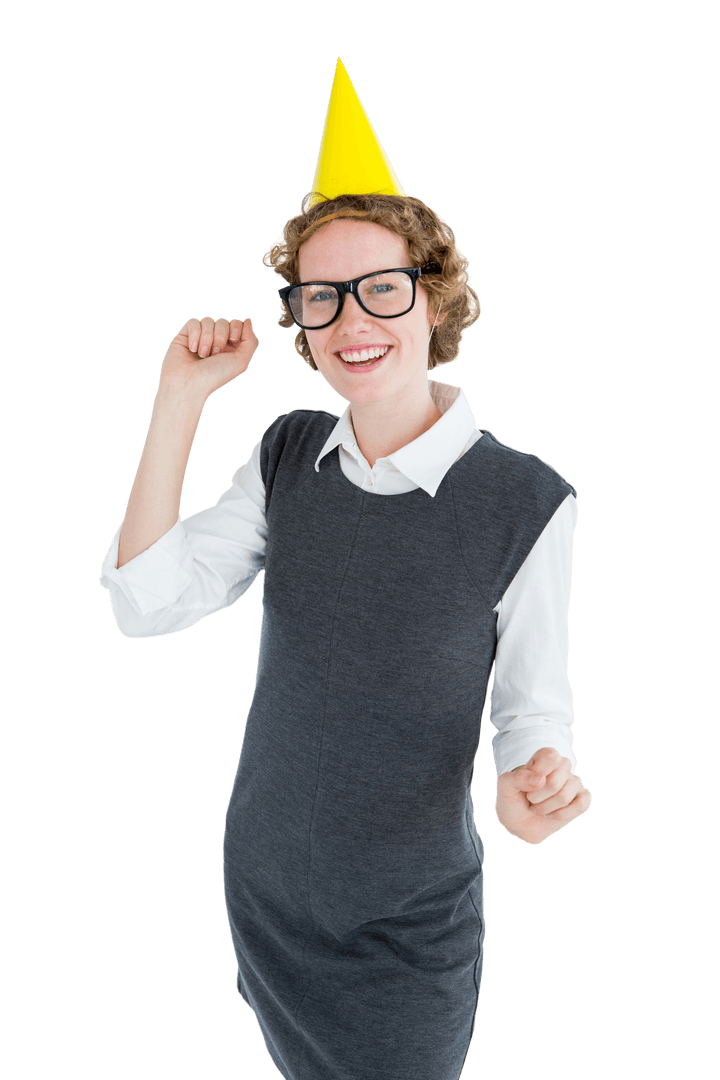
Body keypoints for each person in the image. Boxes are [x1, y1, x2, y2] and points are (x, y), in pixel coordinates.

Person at [99, 58, 591, 1080]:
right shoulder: (287, 458)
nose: (352, 320)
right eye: (320, 298)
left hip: (404, 924)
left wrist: (529, 787)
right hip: (267, 897)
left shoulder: (526, 500)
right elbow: (146, 608)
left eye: (379, 288)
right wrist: (178, 403)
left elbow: (533, 712)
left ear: (433, 296)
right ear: (300, 322)